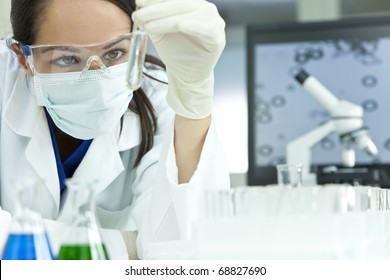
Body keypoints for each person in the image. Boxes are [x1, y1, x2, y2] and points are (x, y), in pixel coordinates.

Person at [0, 0, 230, 259]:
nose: (97, 80)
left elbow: (185, 255)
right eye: (67, 58)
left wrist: (193, 99)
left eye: (114, 53)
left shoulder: (161, 100)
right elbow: (149, 255)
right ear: (22, 57)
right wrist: (125, 247)